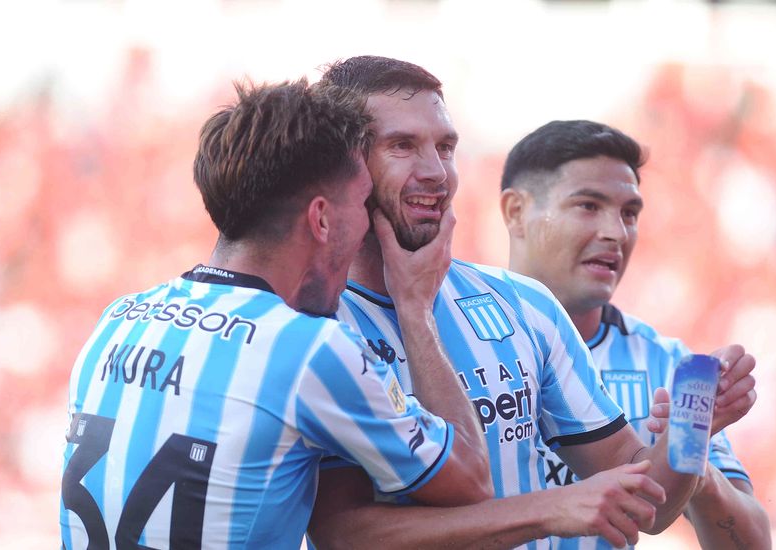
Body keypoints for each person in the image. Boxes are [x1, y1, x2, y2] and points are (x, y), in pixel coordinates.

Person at [306, 56, 757, 549]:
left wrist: (693, 429)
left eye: (446, 147)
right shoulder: (311, 322)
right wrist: (545, 512)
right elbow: (342, 535)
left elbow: (643, 501)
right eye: (403, 146)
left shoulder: (524, 306)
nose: (436, 172)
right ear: (346, 164)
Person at [59, 78, 492, 549]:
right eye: (361, 204)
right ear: (322, 219)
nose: (368, 222)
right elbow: (471, 478)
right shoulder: (310, 349)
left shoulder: (119, 319)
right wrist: (415, 308)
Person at [500, 120, 772, 548]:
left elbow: (751, 544)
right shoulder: (446, 334)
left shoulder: (667, 365)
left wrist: (691, 456)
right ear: (516, 211)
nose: (616, 232)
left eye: (629, 213)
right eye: (589, 205)